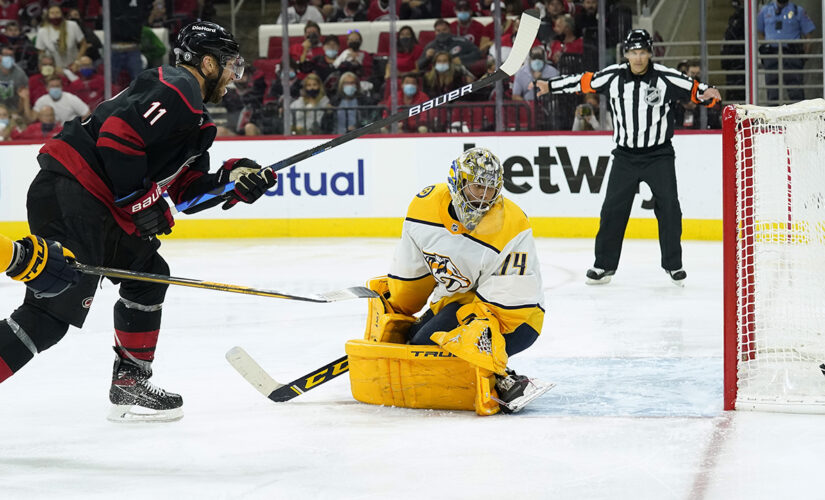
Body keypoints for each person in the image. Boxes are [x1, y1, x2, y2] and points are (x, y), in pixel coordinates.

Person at [0, 21, 277, 422]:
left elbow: (184, 193)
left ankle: (130, 381)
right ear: (207, 63)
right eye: (232, 63)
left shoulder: (198, 122)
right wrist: (141, 202)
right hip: (75, 190)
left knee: (148, 276)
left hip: (100, 205)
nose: (237, 74)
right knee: (48, 317)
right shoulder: (176, 84)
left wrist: (233, 183)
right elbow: (117, 137)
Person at [364, 147, 551, 413]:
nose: (485, 198)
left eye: (491, 189)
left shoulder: (512, 223)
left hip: (516, 319)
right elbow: (413, 271)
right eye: (477, 187)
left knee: (425, 348)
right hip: (463, 302)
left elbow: (514, 299)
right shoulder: (424, 208)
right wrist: (398, 304)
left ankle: (503, 377)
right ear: (458, 182)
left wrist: (472, 337)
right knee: (413, 339)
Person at [537, 29, 721, 286]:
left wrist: (708, 93)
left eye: (643, 52)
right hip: (625, 156)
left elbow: (695, 90)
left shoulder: (666, 77)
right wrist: (551, 86)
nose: (638, 58)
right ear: (626, 54)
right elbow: (583, 82)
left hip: (659, 155)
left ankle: (673, 265)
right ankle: (603, 265)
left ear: (650, 53)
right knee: (612, 210)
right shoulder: (612, 76)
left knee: (669, 208)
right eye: (633, 53)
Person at [756, 0, 815, 104]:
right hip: (772, 55)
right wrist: (766, 45)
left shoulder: (798, 11)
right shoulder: (765, 10)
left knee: (795, 92)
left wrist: (804, 56)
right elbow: (759, 31)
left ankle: (798, 118)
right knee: (772, 92)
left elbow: (809, 36)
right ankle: (772, 118)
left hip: (791, 55)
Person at [35, 5, 88, 69]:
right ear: (48, 16)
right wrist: (50, 67)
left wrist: (77, 62)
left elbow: (84, 45)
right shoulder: (42, 31)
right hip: (55, 68)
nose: (55, 15)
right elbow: (41, 53)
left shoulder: (72, 25)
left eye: (57, 12)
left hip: (74, 65)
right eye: (52, 13)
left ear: (62, 14)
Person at [0, 44, 27, 113]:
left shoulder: (20, 74)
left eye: (11, 55)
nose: (8, 58)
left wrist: (18, 113)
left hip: (14, 110)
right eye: (5, 55)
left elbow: (24, 97)